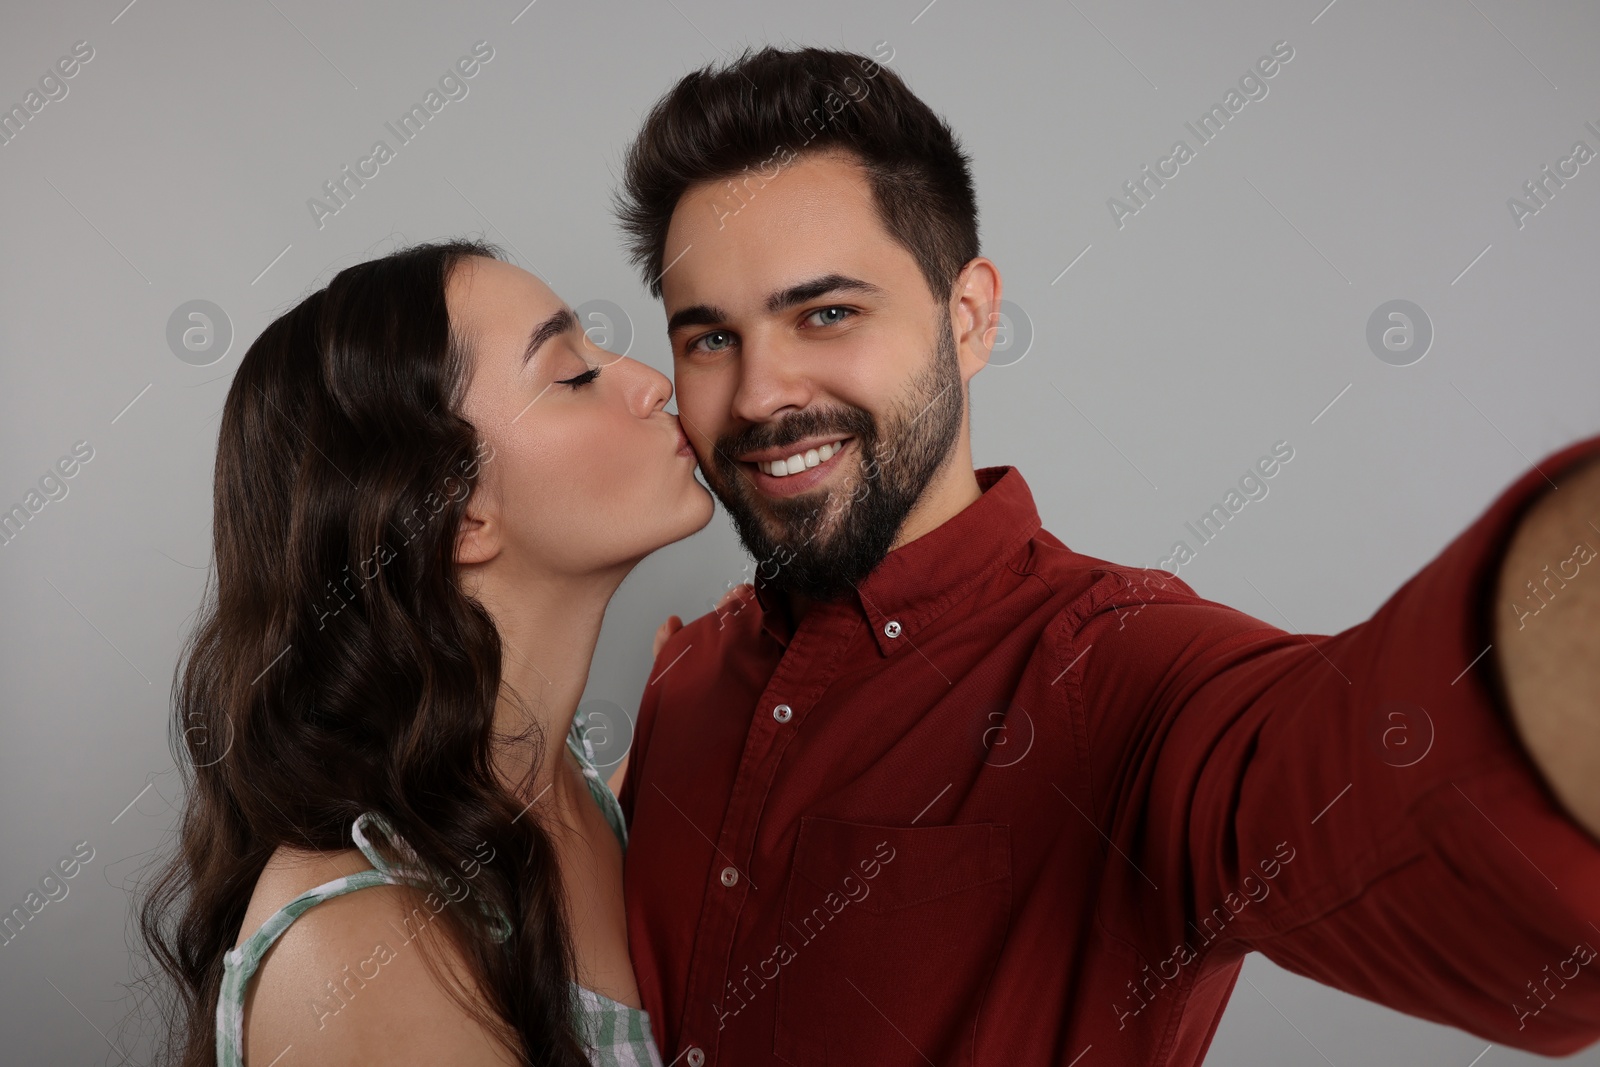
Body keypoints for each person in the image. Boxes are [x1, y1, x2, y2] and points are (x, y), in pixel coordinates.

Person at [610, 47, 1600, 1065]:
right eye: (709, 339)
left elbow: (1373, 812)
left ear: (969, 318)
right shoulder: (683, 680)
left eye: (825, 313)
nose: (762, 392)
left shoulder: (1119, 669)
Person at [140, 238, 709, 1066]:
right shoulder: (364, 955)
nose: (653, 381)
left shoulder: (557, 783)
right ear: (458, 512)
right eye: (573, 374)